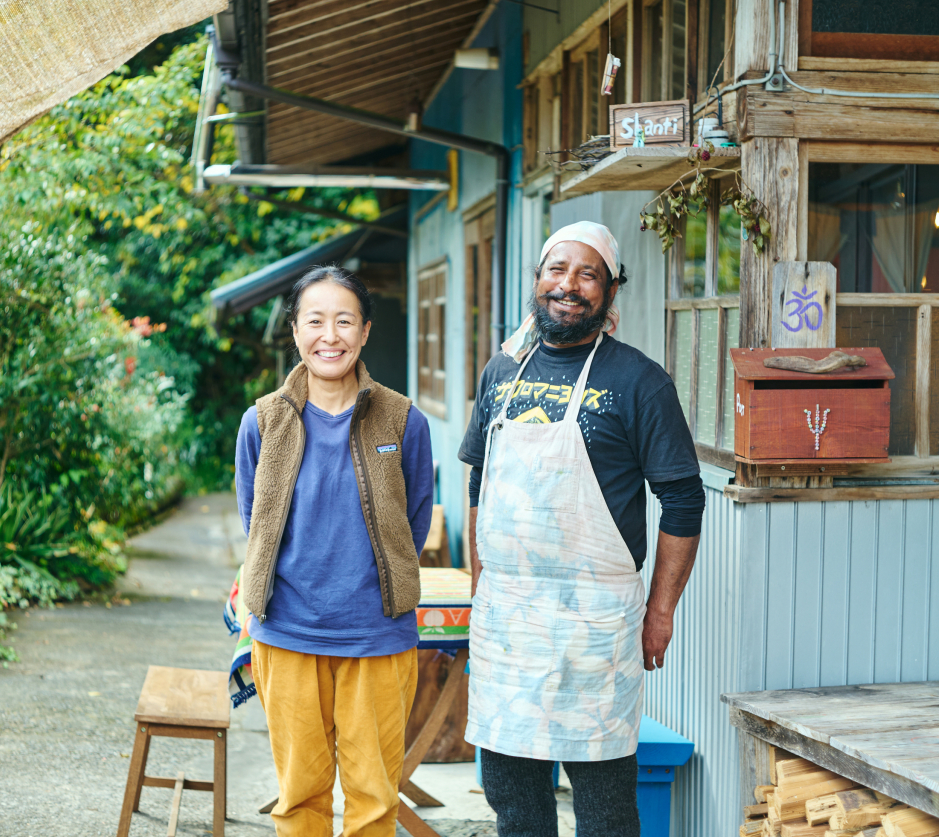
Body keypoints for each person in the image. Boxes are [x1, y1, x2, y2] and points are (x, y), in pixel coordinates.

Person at [459, 222, 705, 837]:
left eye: (587, 274)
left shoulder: (639, 381)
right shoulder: (500, 374)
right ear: (538, 280)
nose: (568, 286)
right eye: (556, 270)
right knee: (511, 797)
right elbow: (478, 486)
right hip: (509, 620)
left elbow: (683, 500)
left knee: (603, 806)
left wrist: (661, 610)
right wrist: (479, 586)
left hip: (595, 625)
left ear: (610, 292)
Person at [233, 265, 433, 837]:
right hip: (288, 633)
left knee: (373, 800)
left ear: (366, 331)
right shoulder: (262, 421)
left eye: (344, 320)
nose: (330, 335)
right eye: (315, 320)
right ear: (295, 331)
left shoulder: (403, 419)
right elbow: (256, 525)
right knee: (299, 798)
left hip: (376, 634)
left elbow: (412, 522)